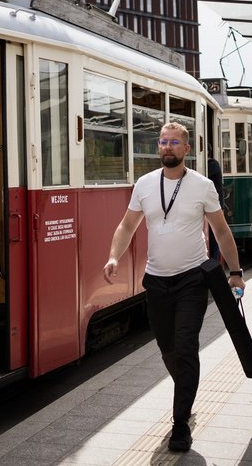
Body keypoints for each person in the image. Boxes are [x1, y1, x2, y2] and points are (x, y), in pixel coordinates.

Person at [103, 122, 243, 452]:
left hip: (192, 279)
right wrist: (113, 258)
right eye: (163, 142)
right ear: (158, 148)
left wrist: (235, 271)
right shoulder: (145, 184)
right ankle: (187, 390)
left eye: (175, 142)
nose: (168, 147)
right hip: (156, 281)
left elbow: (221, 232)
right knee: (168, 349)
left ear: (187, 149)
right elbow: (126, 226)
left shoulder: (203, 186)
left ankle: (180, 423)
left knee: (185, 345)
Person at [206, 151, 224, 261]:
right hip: (210, 205)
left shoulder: (213, 164)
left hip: (216, 206)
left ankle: (214, 260)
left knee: (215, 235)